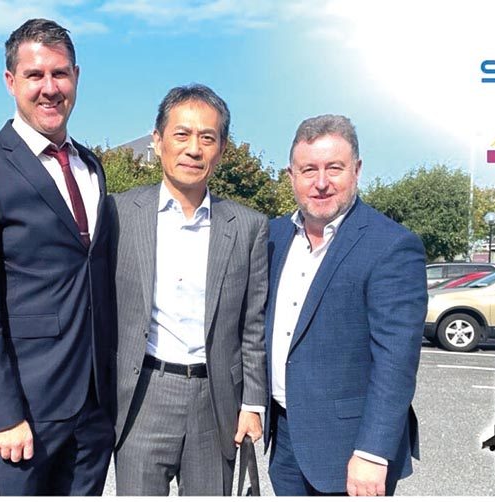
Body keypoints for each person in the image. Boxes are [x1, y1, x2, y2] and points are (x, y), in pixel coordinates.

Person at [0, 18, 114, 496]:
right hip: (26, 411)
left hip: (93, 409)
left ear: (76, 77)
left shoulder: (90, 166)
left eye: (60, 74)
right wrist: (1, 413)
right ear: (10, 81)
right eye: (35, 75)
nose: (49, 88)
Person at [111, 84, 268, 496]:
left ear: (222, 148)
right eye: (181, 134)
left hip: (215, 401)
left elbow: (252, 324)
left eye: (207, 138)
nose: (193, 149)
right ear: (158, 140)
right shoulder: (119, 213)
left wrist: (252, 403)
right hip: (143, 393)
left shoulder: (248, 227)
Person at [265, 115, 424, 496]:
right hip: (285, 441)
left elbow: (396, 360)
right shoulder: (272, 237)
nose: (321, 182)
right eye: (308, 170)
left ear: (357, 170)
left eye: (334, 168)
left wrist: (373, 451)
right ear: (291, 176)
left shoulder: (391, 245)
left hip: (352, 449)